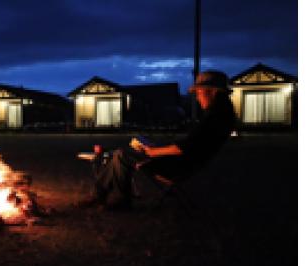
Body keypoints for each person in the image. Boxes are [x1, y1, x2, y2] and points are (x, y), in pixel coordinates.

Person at [82, 70, 237, 209]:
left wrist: (154, 152)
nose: (197, 97)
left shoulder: (214, 118)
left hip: (176, 167)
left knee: (121, 155)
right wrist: (157, 150)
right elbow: (191, 145)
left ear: (211, 92)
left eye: (199, 92)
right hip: (183, 163)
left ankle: (112, 198)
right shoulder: (221, 116)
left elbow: (185, 147)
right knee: (121, 154)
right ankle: (102, 196)